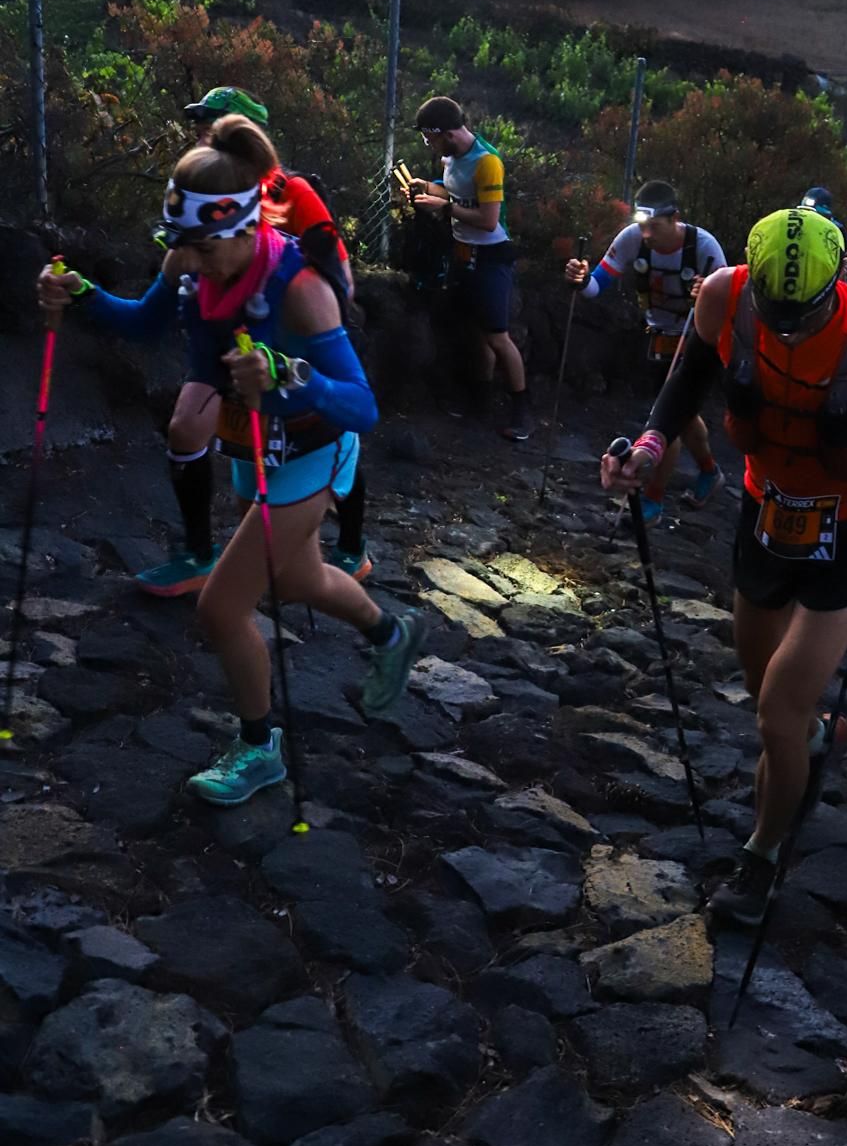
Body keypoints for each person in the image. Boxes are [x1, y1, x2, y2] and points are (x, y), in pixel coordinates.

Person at [37, 114, 422, 806]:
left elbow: (363, 407)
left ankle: (258, 747)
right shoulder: (190, 262)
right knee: (300, 578)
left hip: (310, 451)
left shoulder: (301, 291)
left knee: (220, 608)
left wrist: (287, 374)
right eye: (180, 245)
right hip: (254, 445)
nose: (189, 261)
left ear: (246, 228)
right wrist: (83, 295)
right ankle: (391, 632)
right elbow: (143, 324)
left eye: (203, 248)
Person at [602, 206, 847, 926]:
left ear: (838, 285)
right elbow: (682, 389)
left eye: (802, 315)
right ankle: (811, 746)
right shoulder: (724, 297)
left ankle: (763, 857)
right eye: (775, 313)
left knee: (778, 710)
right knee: (767, 696)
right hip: (767, 510)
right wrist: (645, 450)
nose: (787, 328)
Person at [135, 86, 369, 596]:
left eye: (213, 121)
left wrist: (303, 328)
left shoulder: (292, 191)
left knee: (333, 436)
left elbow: (337, 271)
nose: (202, 131)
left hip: (296, 336)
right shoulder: (198, 191)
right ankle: (200, 552)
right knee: (186, 427)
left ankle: (352, 545)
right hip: (232, 344)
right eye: (200, 122)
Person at [565, 180, 726, 524]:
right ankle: (709, 471)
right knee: (681, 413)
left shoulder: (704, 247)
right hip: (657, 335)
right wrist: (581, 279)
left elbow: (726, 308)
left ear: (675, 218)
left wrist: (708, 295)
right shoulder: (631, 240)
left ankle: (653, 498)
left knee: (664, 417)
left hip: (694, 339)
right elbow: (597, 285)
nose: (647, 234)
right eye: (642, 225)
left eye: (655, 226)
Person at [406, 96, 530, 441]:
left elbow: (488, 219)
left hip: (491, 256)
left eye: (429, 138)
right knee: (476, 332)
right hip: (463, 252)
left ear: (446, 133)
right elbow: (454, 191)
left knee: (498, 336)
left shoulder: (486, 162)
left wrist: (443, 208)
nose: (429, 145)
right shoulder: (451, 157)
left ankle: (522, 410)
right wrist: (426, 187)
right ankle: (480, 401)